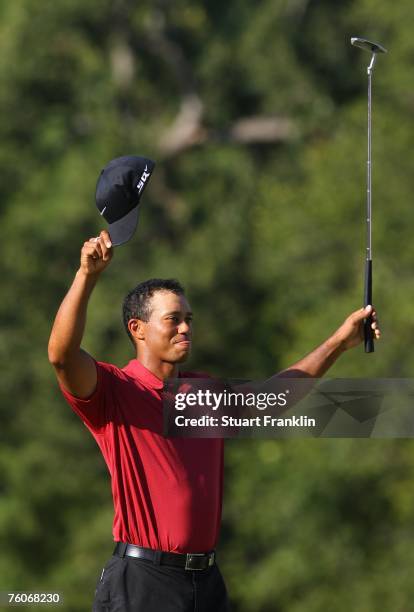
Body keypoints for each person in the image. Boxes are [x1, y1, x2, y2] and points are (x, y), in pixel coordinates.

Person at [48, 230, 381, 612]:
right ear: (137, 329)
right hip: (143, 583)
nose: (186, 328)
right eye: (173, 319)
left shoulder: (203, 391)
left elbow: (272, 399)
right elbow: (61, 355)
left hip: (206, 583)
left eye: (188, 319)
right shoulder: (114, 390)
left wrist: (339, 342)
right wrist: (86, 276)